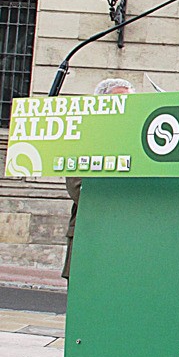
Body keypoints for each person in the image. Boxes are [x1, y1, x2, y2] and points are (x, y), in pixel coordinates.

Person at [62, 77, 134, 280]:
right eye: (119, 100)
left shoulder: (134, 139)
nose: (125, 107)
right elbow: (78, 189)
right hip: (91, 235)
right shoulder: (85, 137)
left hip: (126, 240)